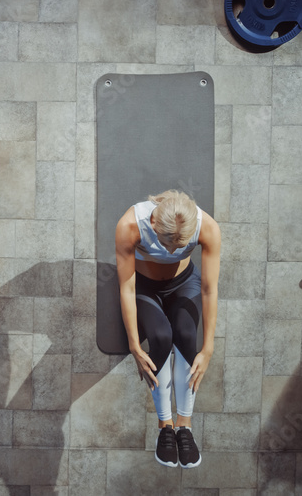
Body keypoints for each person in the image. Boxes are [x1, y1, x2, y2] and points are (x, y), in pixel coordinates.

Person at [115, 189, 221, 467]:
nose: (173, 250)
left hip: (185, 283)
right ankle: (166, 426)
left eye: (181, 245)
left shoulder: (206, 226)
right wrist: (134, 345)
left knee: (186, 334)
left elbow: (210, 289)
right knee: (161, 337)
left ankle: (184, 426)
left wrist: (208, 347)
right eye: (167, 244)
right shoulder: (130, 225)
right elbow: (126, 287)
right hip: (145, 287)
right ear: (153, 226)